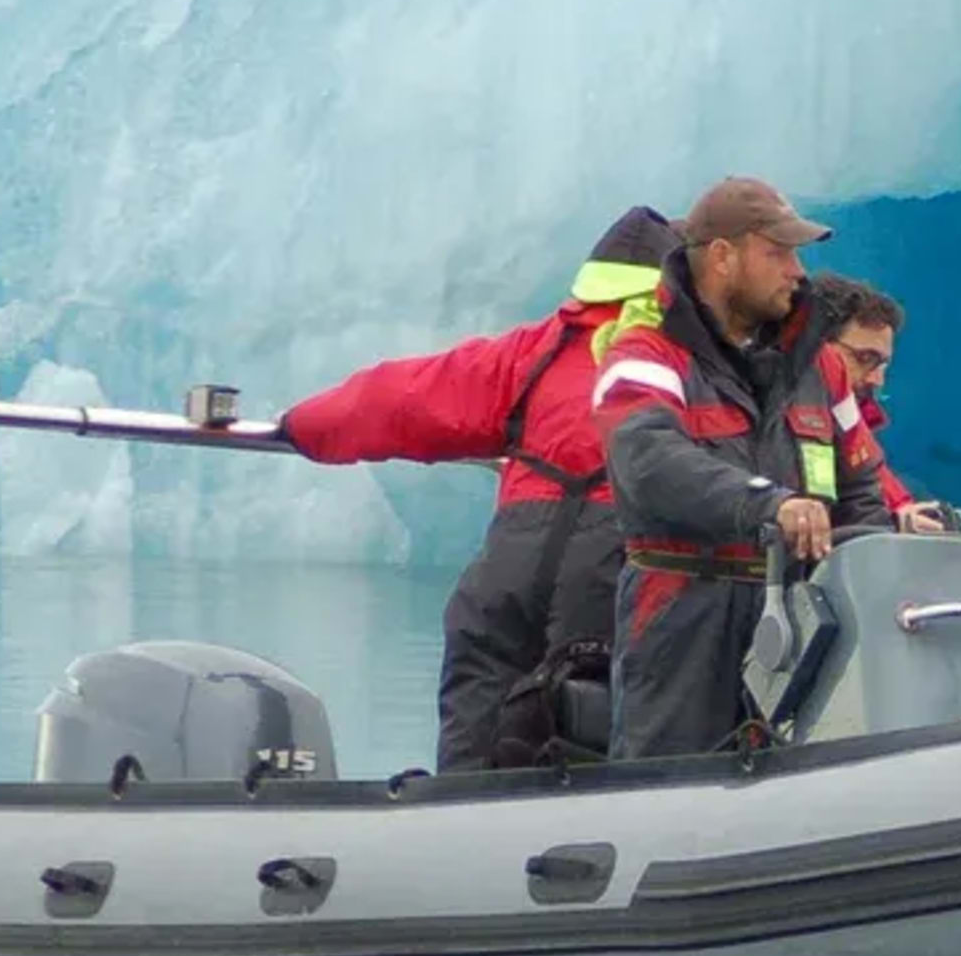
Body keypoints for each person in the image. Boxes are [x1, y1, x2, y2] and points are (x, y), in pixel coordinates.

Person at [276, 205, 675, 771]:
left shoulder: (533, 351)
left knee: (479, 721)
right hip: (609, 570)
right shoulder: (673, 362)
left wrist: (300, 426)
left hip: (510, 563)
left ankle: (459, 833)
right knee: (586, 734)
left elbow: (402, 397)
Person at [590, 177, 897, 759]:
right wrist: (769, 504)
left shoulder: (820, 371)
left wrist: (865, 564)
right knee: (668, 788)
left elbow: (862, 488)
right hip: (684, 619)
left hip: (808, 620)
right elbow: (649, 461)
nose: (797, 272)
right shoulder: (646, 356)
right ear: (723, 257)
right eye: (777, 253)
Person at [804, 274, 944, 531]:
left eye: (882, 365)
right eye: (864, 358)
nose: (877, 379)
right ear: (816, 345)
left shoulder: (851, 424)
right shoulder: (775, 416)